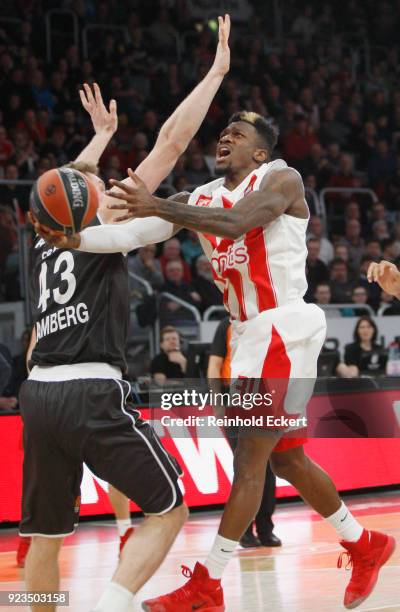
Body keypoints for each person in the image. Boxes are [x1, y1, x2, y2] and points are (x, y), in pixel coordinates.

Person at [57, 109, 395, 610]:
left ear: (260, 151)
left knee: (249, 460)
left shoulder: (280, 177)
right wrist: (76, 239)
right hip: (251, 336)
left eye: (237, 135)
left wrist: (159, 206)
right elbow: (132, 234)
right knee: (286, 458)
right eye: (223, 134)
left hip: (283, 326)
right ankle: (365, 545)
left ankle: (208, 584)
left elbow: (238, 223)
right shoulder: (197, 198)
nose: (225, 139)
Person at [25, 15, 232, 612]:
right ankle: (113, 605)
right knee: (171, 507)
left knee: (45, 535)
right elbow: (171, 141)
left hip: (39, 393)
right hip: (92, 387)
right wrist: (215, 73)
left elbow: (62, 187)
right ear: (92, 198)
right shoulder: (101, 219)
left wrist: (98, 138)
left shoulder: (41, 235)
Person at [207, 317, 281, 549]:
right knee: (245, 465)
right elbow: (214, 365)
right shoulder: (226, 325)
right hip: (235, 395)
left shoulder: (267, 321)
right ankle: (245, 530)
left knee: (267, 466)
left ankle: (266, 528)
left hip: (265, 395)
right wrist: (218, 402)